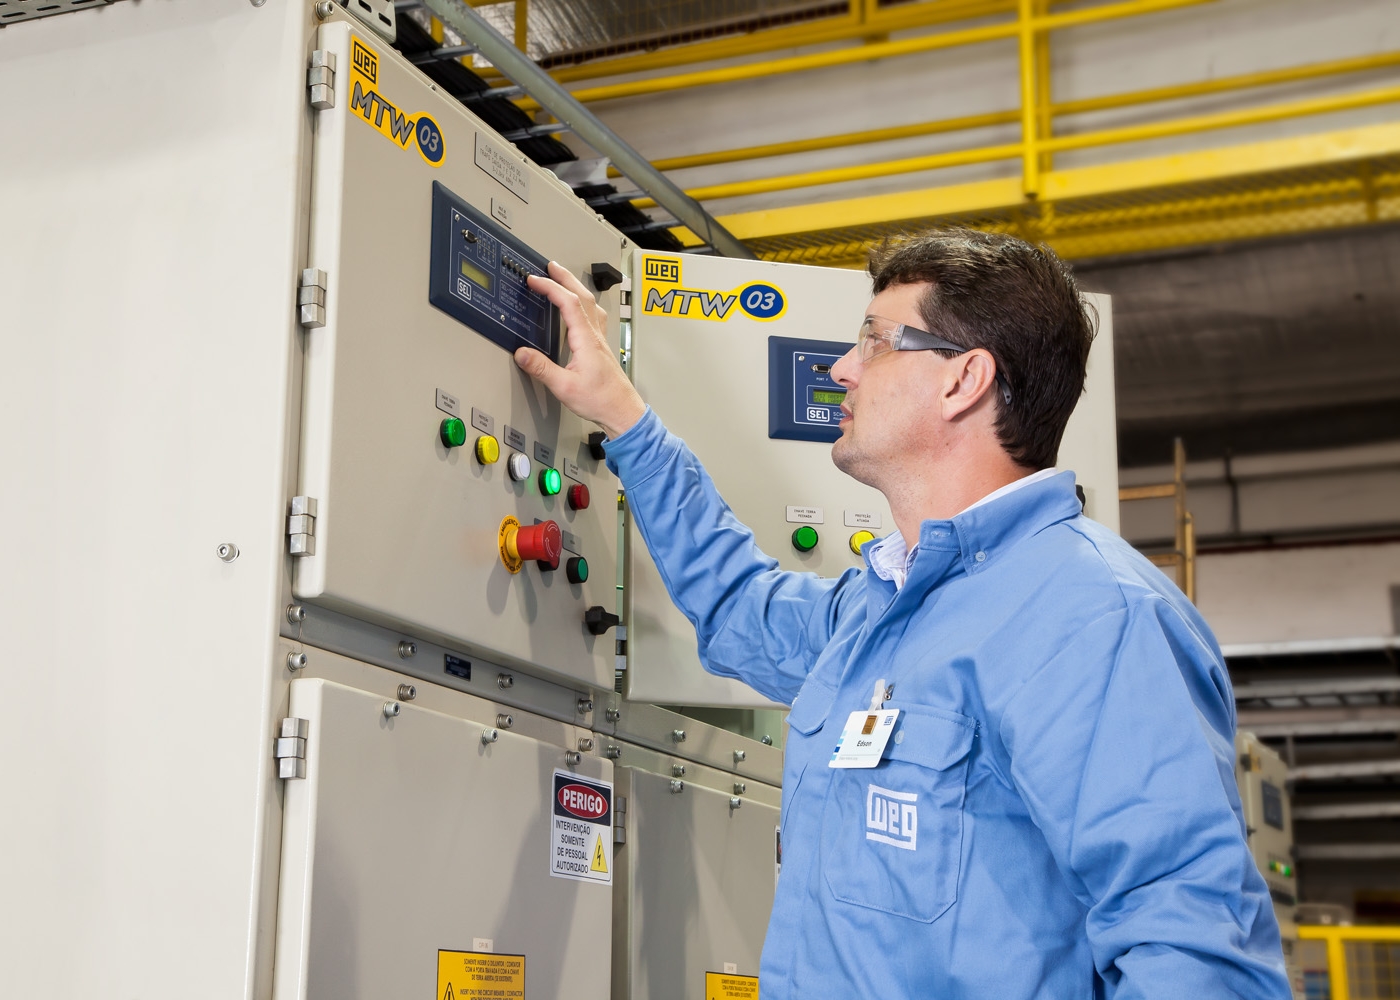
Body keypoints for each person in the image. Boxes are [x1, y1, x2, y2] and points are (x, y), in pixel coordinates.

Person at [517, 229, 1291, 999]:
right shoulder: (878, 608)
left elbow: (1191, 952)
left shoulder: (1095, 618)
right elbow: (740, 608)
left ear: (964, 381)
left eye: (875, 343)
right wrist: (624, 418)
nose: (841, 369)